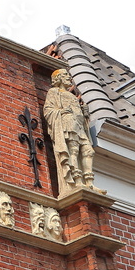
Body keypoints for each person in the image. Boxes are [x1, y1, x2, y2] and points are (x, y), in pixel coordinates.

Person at [43, 69, 96, 197]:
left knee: (89, 151)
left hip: (78, 126)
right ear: (59, 78)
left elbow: (80, 116)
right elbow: (48, 110)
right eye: (66, 75)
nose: (69, 78)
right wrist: (61, 112)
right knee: (73, 150)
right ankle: (77, 180)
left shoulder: (72, 95)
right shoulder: (54, 92)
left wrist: (84, 114)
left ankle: (89, 182)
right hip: (67, 123)